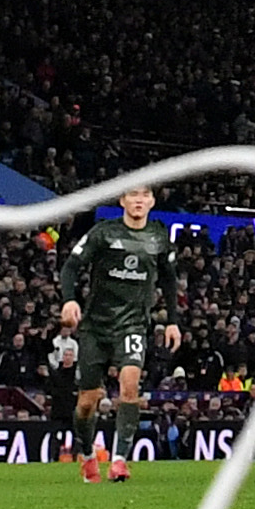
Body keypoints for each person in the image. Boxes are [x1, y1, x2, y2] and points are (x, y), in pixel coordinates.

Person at [56, 184, 182, 483]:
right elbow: (71, 267)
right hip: (95, 327)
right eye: (133, 196)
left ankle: (120, 461)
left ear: (151, 201)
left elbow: (170, 281)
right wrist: (69, 299)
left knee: (129, 386)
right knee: (88, 401)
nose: (138, 201)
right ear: (123, 200)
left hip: (133, 325)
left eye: (144, 196)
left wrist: (174, 320)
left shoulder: (158, 238)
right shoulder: (104, 233)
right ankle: (87, 456)